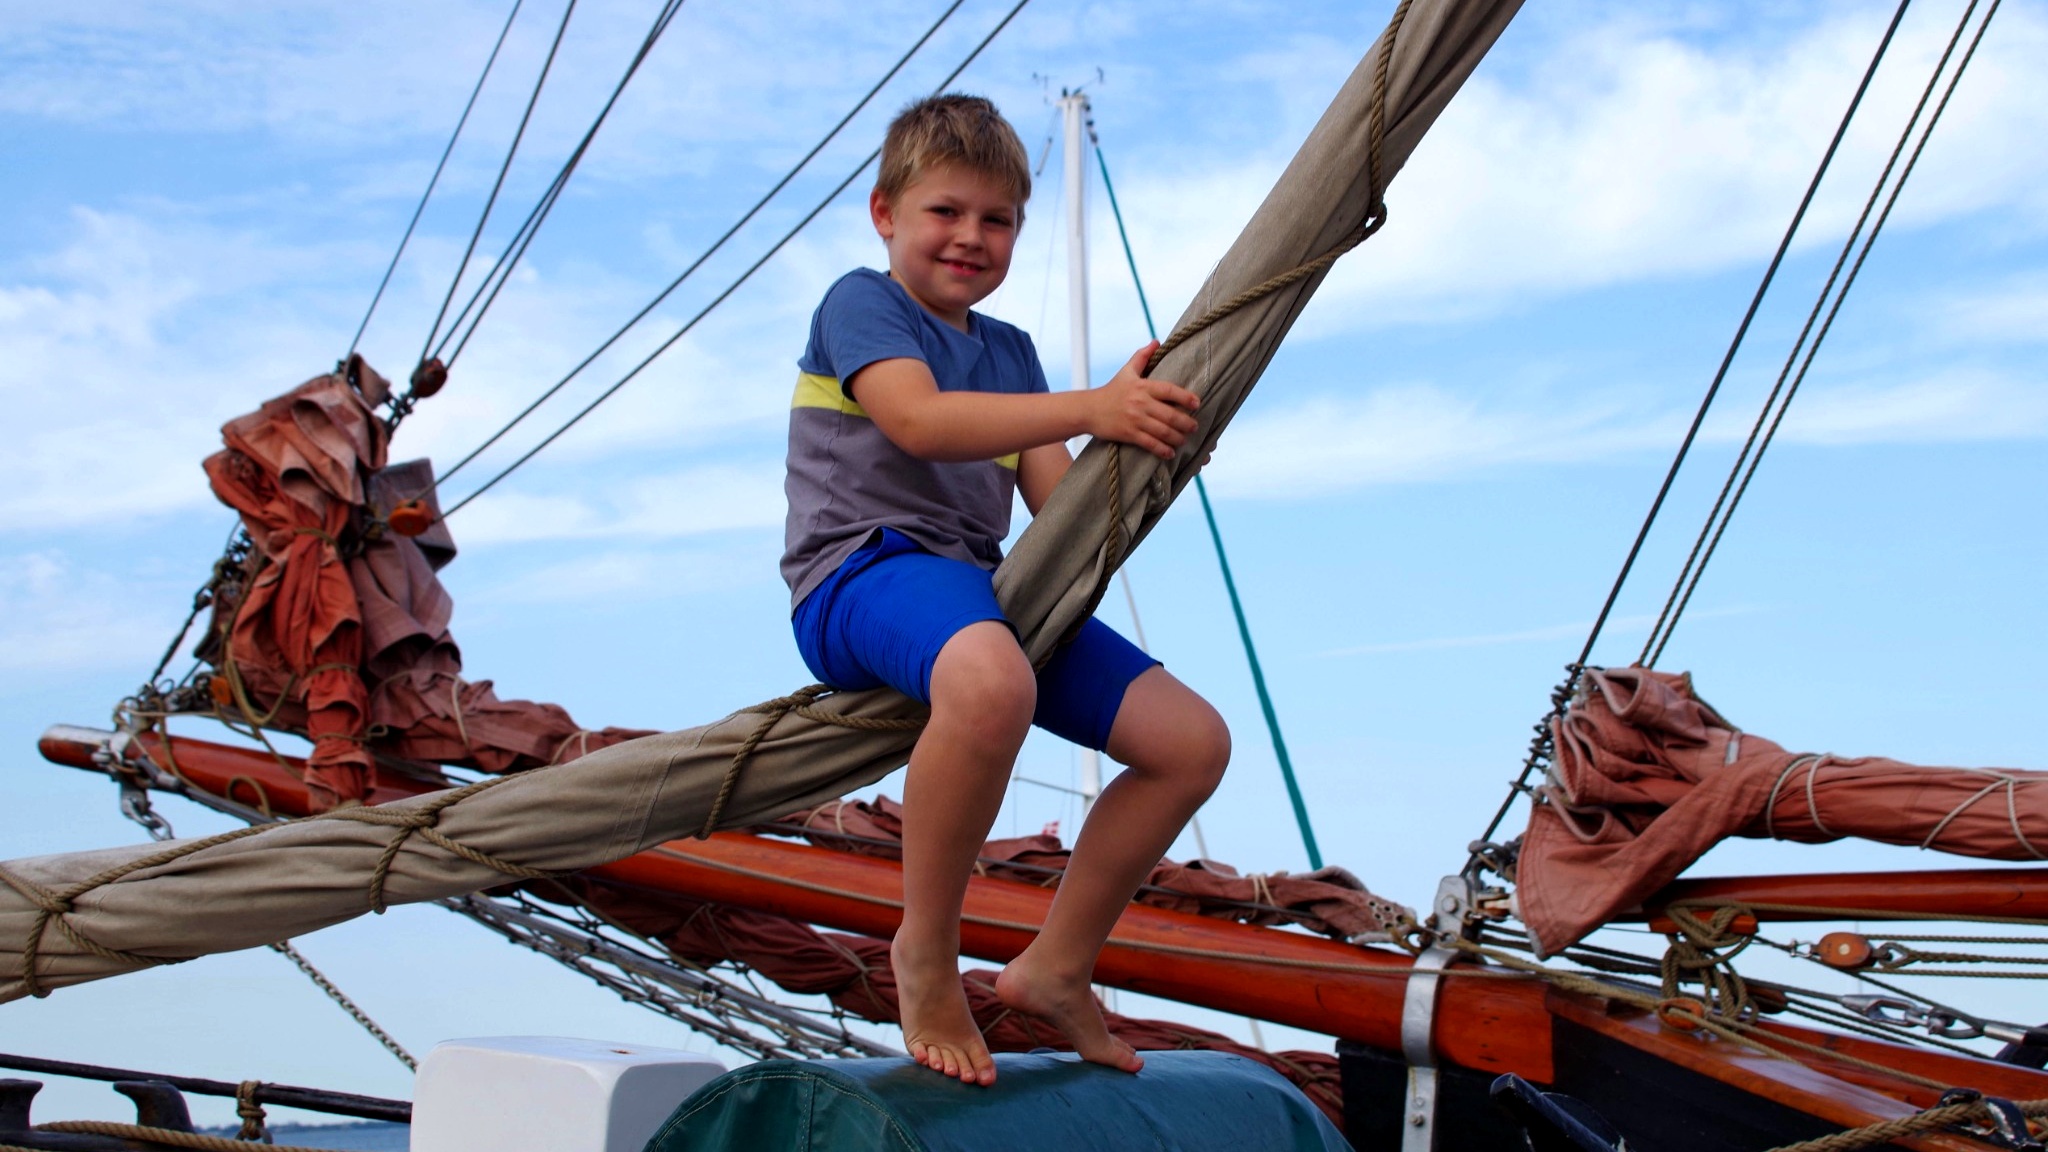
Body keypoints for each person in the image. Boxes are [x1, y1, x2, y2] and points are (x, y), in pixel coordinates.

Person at [781, 94, 1230, 1087]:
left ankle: (1056, 967)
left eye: (997, 220)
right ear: (884, 214)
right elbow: (918, 421)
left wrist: (1146, 453)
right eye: (945, 211)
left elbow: (1063, 512)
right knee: (993, 686)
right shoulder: (860, 305)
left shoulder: (1012, 353)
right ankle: (925, 951)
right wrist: (1092, 405)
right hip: (859, 572)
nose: (970, 237)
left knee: (1191, 744)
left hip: (984, 595)